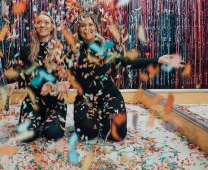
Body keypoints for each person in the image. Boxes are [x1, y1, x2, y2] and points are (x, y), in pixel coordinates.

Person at [64, 13, 184, 142]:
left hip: (109, 95)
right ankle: (95, 118)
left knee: (116, 135)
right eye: (83, 25)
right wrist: (64, 82)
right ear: (78, 30)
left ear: (96, 28)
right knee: (87, 134)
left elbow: (129, 62)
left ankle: (105, 118)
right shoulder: (72, 53)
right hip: (85, 98)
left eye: (90, 24)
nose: (87, 28)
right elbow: (66, 76)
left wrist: (158, 60)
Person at [7, 12, 69, 142]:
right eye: (39, 22)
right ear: (35, 27)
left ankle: (47, 117)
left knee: (53, 134)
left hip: (54, 99)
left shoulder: (61, 49)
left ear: (52, 27)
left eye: (46, 22)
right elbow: (22, 74)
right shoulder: (26, 50)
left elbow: (68, 73)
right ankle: (37, 116)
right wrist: (14, 84)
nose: (42, 25)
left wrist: (65, 83)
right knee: (27, 136)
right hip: (33, 98)